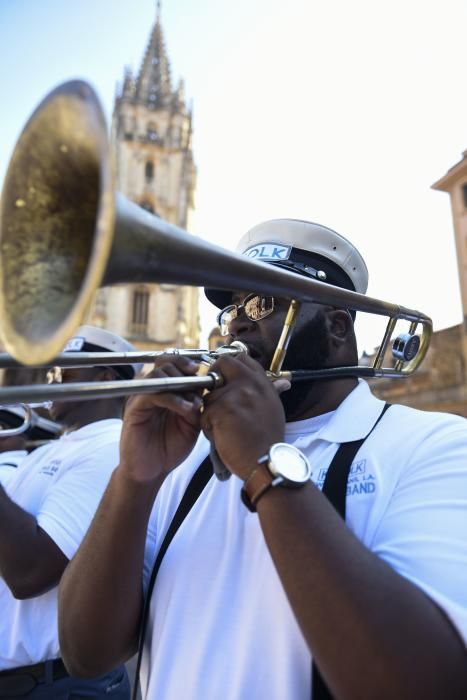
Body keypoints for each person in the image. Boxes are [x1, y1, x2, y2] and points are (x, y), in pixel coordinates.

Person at [58, 220, 467, 700]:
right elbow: (86, 653)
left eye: (262, 302)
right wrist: (133, 479)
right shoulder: (183, 466)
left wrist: (262, 463)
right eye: (232, 308)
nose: (237, 322)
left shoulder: (434, 444)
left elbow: (424, 683)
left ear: (337, 327)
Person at [0, 325, 143, 699]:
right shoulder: (53, 450)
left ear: (104, 378)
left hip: (54, 684)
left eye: (65, 371)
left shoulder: (110, 447)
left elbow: (30, 574)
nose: (51, 380)